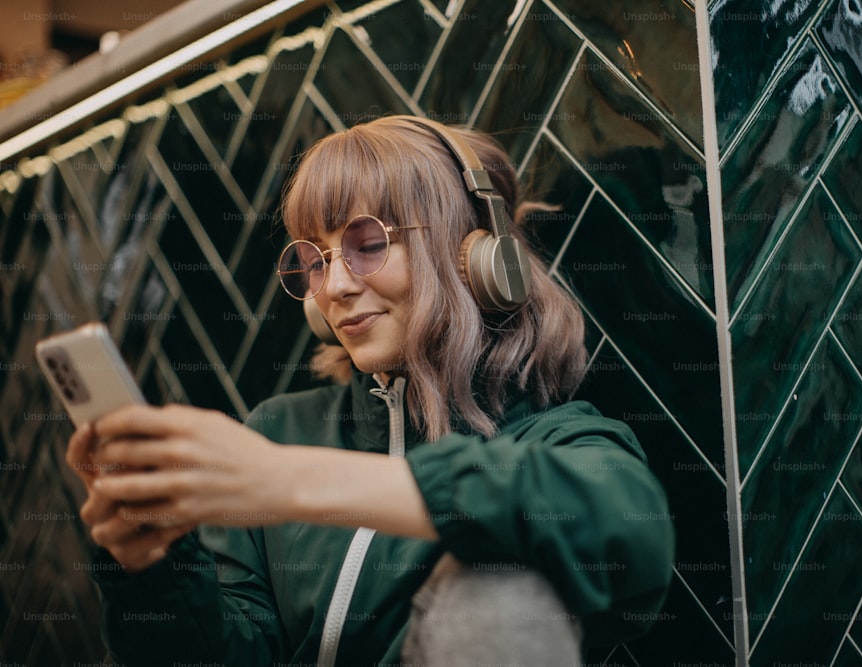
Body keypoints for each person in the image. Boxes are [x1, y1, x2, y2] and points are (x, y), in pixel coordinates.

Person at [66, 115, 675, 666]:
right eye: (317, 259)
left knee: (504, 578)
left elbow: (632, 540)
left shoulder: (560, 439)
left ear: (474, 257)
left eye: (368, 245)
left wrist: (293, 482)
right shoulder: (278, 429)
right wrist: (151, 566)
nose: (332, 287)